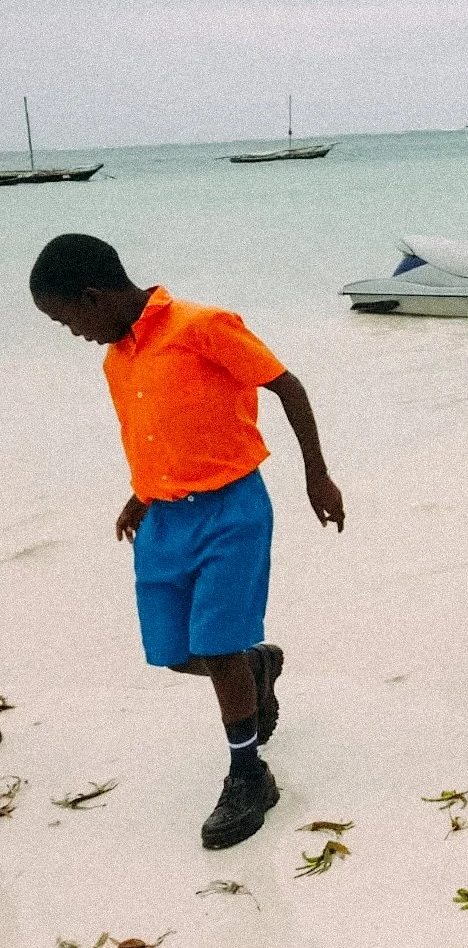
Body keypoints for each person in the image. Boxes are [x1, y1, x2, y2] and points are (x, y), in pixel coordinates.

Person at [30, 233, 345, 850]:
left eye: (68, 320)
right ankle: (258, 666)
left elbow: (289, 387)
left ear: (93, 297)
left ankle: (248, 773)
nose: (73, 333)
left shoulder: (202, 326)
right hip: (164, 521)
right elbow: (158, 431)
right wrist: (140, 495)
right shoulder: (116, 360)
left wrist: (316, 472)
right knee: (176, 653)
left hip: (231, 510)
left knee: (218, 645)